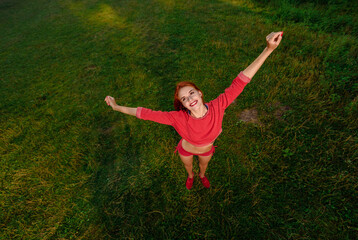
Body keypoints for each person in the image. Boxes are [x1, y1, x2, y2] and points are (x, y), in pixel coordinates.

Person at [105, 31, 283, 190]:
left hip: (206, 150)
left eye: (191, 93)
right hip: (186, 149)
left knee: (203, 166)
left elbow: (241, 80)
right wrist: (116, 106)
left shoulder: (218, 105)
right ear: (182, 105)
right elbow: (143, 113)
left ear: (199, 93)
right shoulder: (177, 118)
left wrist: (268, 50)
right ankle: (191, 176)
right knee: (188, 166)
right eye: (184, 98)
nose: (189, 99)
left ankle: (202, 176)